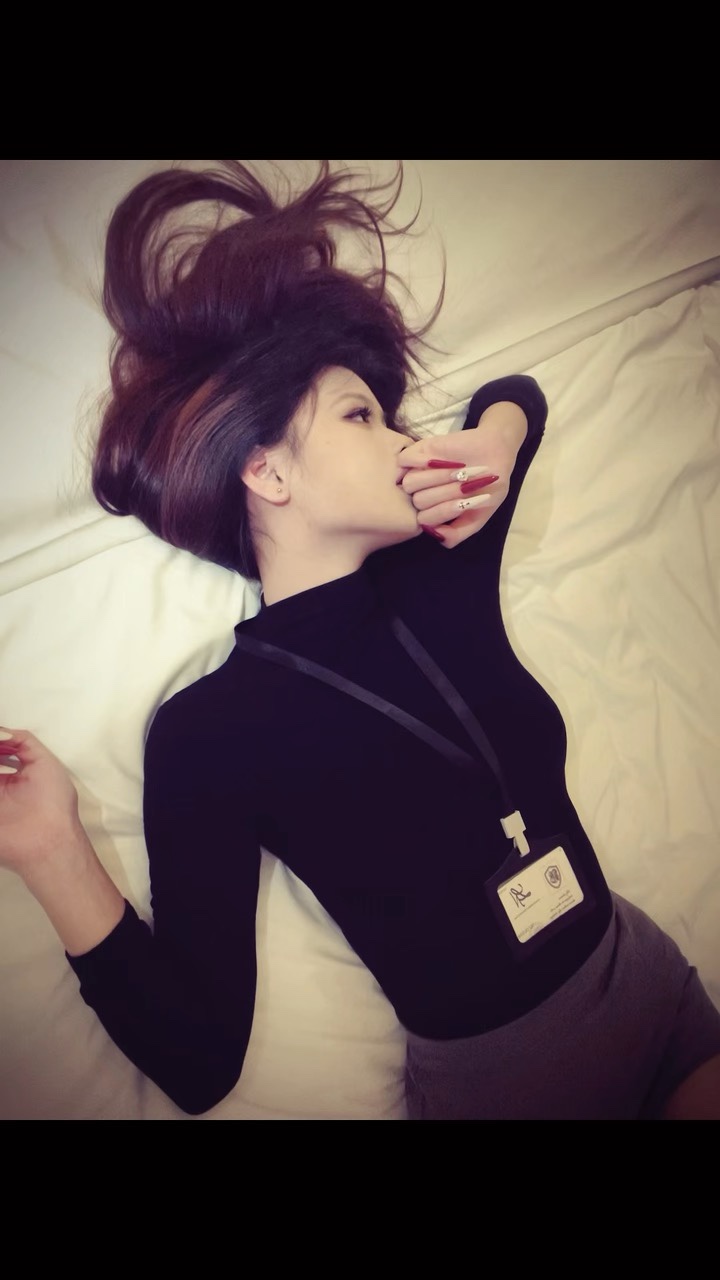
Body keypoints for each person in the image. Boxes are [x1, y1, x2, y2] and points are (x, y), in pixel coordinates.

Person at [1, 159, 719, 1120]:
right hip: (505, 1090)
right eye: (362, 416)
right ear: (267, 473)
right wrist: (52, 850)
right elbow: (198, 1059)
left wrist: (496, 447)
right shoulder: (208, 733)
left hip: (653, 994)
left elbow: (517, 395)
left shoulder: (442, 561)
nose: (406, 441)